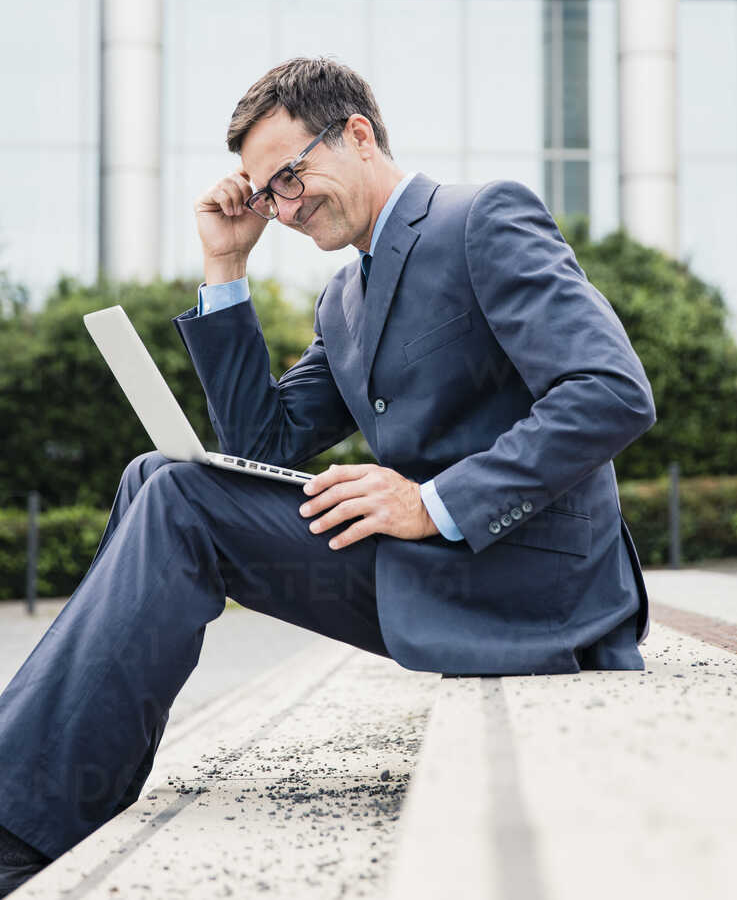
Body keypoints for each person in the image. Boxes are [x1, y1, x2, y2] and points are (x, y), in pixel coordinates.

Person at [0, 56, 656, 895]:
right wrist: (225, 267)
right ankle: (51, 796)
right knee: (154, 477)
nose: (283, 203)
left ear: (356, 133)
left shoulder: (480, 219)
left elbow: (609, 392)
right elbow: (258, 445)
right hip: (436, 569)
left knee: (174, 498)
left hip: (532, 580)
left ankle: (16, 828)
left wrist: (433, 501)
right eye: (266, 191)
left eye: (290, 175)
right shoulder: (343, 299)